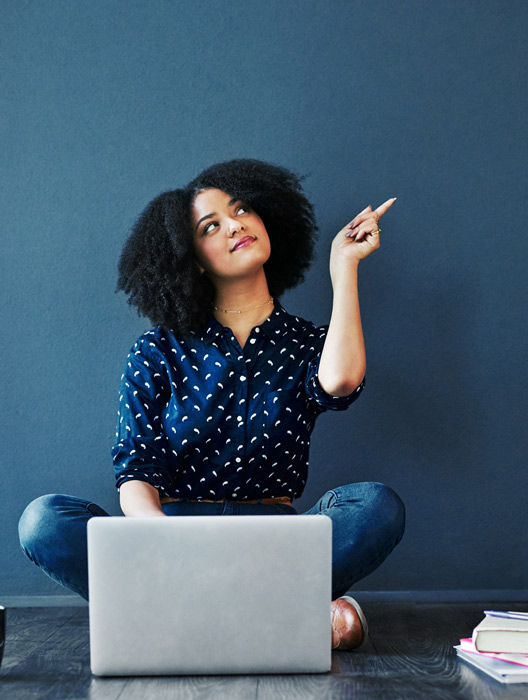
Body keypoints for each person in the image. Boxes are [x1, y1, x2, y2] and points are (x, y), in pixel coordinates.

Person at [18, 159, 405, 651]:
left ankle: (184, 623)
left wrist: (342, 267)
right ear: (193, 258)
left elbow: (341, 381)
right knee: (43, 520)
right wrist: (169, 544)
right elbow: (136, 471)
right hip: (169, 542)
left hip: (276, 545)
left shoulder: (309, 342)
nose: (235, 224)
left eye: (242, 209)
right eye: (211, 225)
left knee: (377, 504)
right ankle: (278, 621)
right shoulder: (156, 350)